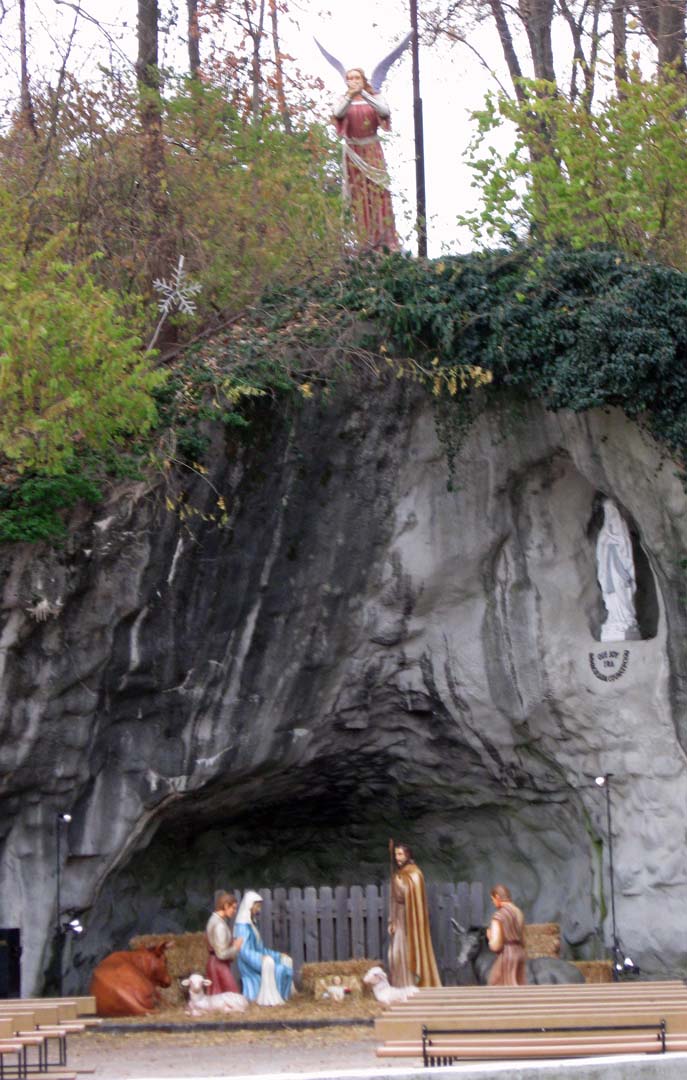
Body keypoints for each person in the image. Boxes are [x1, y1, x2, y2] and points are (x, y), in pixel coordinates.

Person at [332, 68, 399, 251]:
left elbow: (384, 111)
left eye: (357, 77)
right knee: (359, 196)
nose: (353, 80)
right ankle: (365, 242)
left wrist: (363, 93)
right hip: (354, 153)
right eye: (350, 78)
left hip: (372, 151)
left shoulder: (375, 97)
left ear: (363, 79)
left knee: (379, 193)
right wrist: (350, 95)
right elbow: (338, 114)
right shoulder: (343, 100)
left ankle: (386, 241)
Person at [388, 843, 441, 988]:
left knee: (404, 953)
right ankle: (401, 985)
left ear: (407, 855)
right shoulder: (401, 873)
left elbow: (403, 894)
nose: (397, 858)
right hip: (399, 918)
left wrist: (396, 881)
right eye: (396, 854)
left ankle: (411, 984)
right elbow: (394, 900)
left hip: (410, 921)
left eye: (400, 854)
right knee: (395, 955)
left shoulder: (414, 873)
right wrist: (392, 920)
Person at [234, 890, 293, 1005]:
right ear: (250, 906)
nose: (259, 910)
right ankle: (273, 1000)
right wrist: (260, 958)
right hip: (248, 963)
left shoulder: (252, 924)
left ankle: (283, 997)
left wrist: (278, 955)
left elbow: (260, 949)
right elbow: (244, 951)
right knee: (279, 969)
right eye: (257, 906)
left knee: (286, 964)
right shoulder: (242, 927)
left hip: (257, 958)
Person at [596, 498, 640, 641]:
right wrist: (606, 542)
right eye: (606, 510)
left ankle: (626, 619)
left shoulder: (621, 527)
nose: (608, 513)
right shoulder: (603, 532)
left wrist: (613, 540)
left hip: (619, 566)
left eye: (610, 509)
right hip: (608, 566)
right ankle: (614, 619)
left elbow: (625, 546)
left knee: (621, 589)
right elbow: (600, 551)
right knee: (611, 593)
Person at [486, 884, 527, 985]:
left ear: (497, 897)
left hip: (507, 955)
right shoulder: (518, 912)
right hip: (520, 954)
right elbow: (523, 939)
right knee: (520, 984)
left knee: (496, 983)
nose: (493, 903)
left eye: (493, 899)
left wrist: (490, 937)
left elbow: (496, 945)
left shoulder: (498, 916)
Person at [205, 890, 243, 994]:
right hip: (219, 965)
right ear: (226, 906)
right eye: (233, 908)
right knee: (232, 995)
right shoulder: (219, 925)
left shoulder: (215, 920)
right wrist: (235, 947)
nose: (234, 911)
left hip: (215, 964)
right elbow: (221, 954)